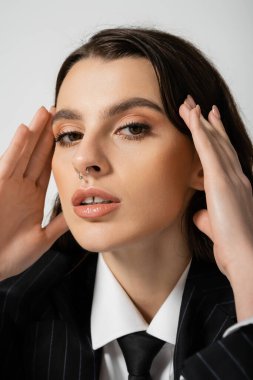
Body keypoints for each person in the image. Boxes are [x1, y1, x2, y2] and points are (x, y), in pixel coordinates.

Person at [0, 27, 253, 380]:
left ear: (204, 159)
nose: (85, 159)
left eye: (132, 128)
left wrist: (247, 271)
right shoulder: (15, 309)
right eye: (70, 135)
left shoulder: (247, 301)